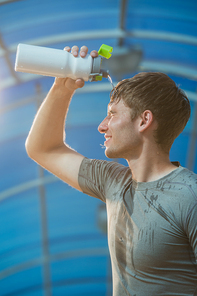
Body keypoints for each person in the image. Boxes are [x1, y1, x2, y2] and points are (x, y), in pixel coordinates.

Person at [26, 45, 197, 296]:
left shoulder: (190, 196)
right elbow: (42, 148)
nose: (101, 126)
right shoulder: (113, 181)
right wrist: (62, 88)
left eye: (112, 114)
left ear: (144, 120)